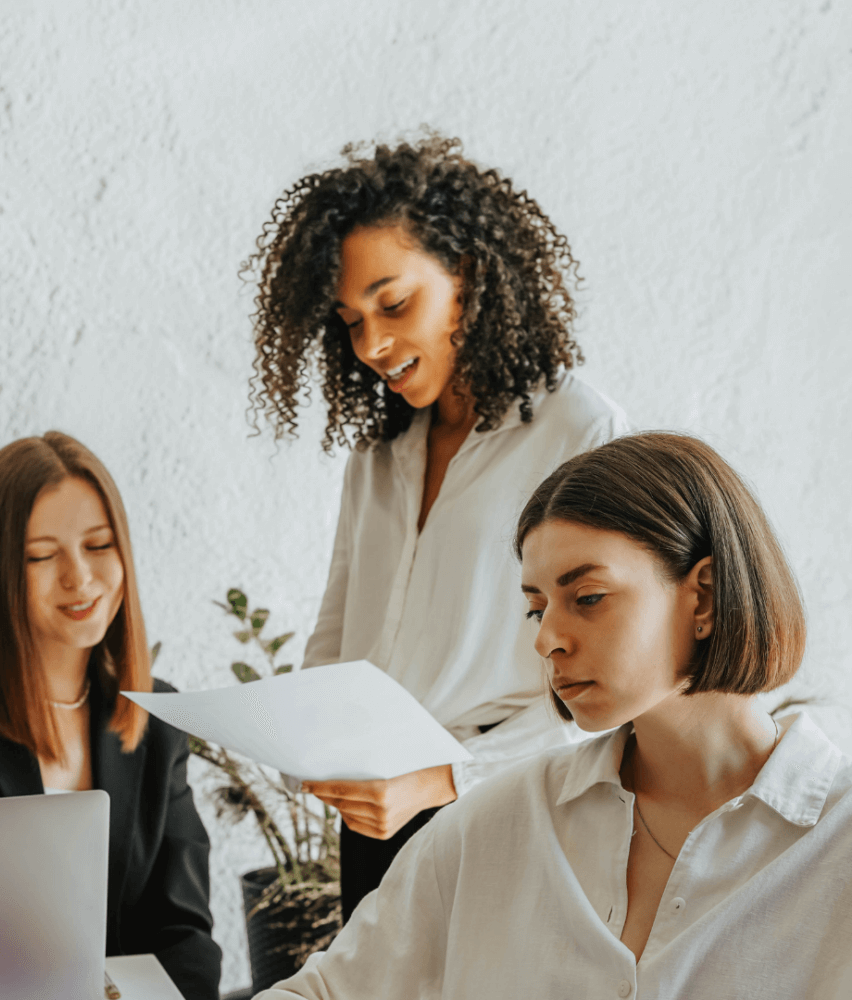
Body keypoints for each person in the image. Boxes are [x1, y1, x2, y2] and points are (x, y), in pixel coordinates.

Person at [253, 432, 852, 1000]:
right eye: (536, 609)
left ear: (706, 597)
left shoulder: (837, 842)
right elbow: (327, 990)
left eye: (587, 598)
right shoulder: (495, 823)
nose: (547, 641)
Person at [246, 133, 630, 920]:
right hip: (375, 830)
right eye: (350, 321)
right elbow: (337, 638)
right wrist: (307, 747)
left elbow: (610, 684)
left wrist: (446, 778)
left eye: (394, 304)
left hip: (506, 815)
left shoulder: (576, 434)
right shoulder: (379, 456)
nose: (373, 346)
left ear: (469, 277)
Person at [0, 431, 222, 1000]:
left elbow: (185, 938)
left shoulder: (155, 721)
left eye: (99, 545)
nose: (80, 577)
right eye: (42, 556)